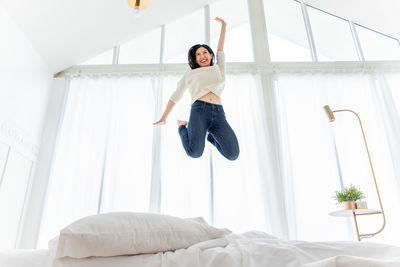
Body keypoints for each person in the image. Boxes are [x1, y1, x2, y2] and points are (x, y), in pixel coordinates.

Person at [153, 17, 239, 161]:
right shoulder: (191, 72)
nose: (202, 56)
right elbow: (176, 95)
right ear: (195, 59)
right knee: (194, 153)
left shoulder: (219, 68)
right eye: (197, 54)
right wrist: (164, 117)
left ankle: (208, 135)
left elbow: (220, 48)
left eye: (204, 52)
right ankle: (181, 126)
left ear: (211, 55)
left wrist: (224, 26)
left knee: (232, 154)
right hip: (199, 111)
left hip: (218, 113)